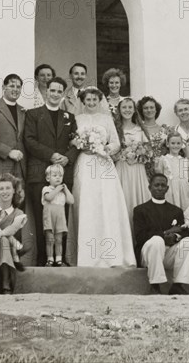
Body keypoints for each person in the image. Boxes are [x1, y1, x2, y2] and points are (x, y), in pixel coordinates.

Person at [68, 87, 136, 268]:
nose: (91, 103)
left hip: (103, 164)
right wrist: (81, 144)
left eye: (94, 100)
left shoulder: (107, 119)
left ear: (99, 101)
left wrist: (104, 149)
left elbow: (115, 142)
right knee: (87, 203)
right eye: (88, 100)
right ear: (83, 102)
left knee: (106, 204)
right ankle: (86, 256)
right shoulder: (77, 119)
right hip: (85, 162)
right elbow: (71, 140)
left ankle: (111, 254)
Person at [24, 76, 78, 266]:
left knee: (61, 219)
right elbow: (29, 140)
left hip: (62, 172)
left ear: (63, 94)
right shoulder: (33, 114)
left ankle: (60, 259)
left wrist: (67, 157)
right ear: (46, 91)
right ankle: (42, 260)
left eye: (59, 91)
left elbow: (76, 142)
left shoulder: (69, 117)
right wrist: (52, 155)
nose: (55, 94)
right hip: (40, 172)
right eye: (52, 90)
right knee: (43, 219)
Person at [133, 174, 189, 295]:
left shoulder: (176, 210)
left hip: (168, 255)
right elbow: (140, 237)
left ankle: (178, 285)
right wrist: (164, 235)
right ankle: (155, 285)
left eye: (163, 185)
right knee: (157, 240)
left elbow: (183, 232)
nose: (160, 188)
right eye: (156, 185)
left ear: (167, 188)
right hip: (149, 254)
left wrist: (175, 237)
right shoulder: (140, 210)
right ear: (149, 187)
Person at [114, 97, 151, 230]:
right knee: (123, 200)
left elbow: (149, 153)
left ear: (134, 110)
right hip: (122, 169)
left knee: (138, 199)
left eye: (130, 107)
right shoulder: (115, 130)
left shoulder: (140, 130)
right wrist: (122, 154)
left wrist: (137, 155)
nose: (127, 110)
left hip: (137, 171)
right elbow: (111, 152)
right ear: (119, 110)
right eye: (124, 107)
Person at [41, 164, 74, 267]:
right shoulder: (46, 188)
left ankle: (59, 259)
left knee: (59, 239)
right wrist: (57, 189)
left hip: (60, 217)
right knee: (50, 239)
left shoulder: (63, 191)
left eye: (60, 176)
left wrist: (66, 190)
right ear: (48, 178)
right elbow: (49, 198)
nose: (58, 178)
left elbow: (71, 201)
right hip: (49, 216)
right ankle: (50, 259)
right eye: (55, 175)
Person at [156, 131, 189, 209]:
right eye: (173, 143)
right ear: (167, 144)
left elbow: (188, 174)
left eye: (178, 143)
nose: (175, 146)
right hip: (169, 191)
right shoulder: (163, 159)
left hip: (183, 191)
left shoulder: (184, 160)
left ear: (181, 144)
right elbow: (160, 174)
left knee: (185, 210)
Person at [137, 96, 170, 179]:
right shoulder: (138, 130)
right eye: (146, 108)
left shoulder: (165, 130)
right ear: (142, 111)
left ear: (156, 110)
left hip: (162, 169)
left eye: (152, 107)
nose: (149, 110)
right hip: (144, 170)